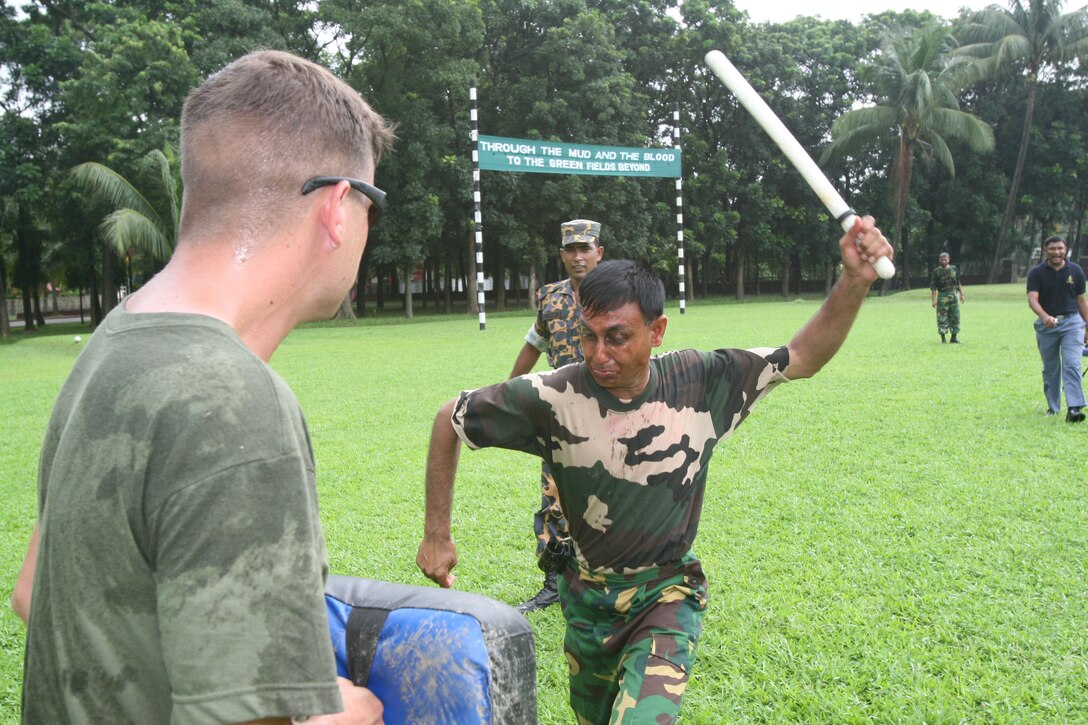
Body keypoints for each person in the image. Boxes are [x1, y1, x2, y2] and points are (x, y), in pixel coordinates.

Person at [11, 50, 395, 723]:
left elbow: (30, 587)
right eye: (372, 202)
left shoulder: (115, 340)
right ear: (338, 206)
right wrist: (346, 713)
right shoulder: (236, 403)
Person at [416, 218, 893, 724]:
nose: (599, 355)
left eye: (617, 337)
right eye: (588, 336)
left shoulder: (701, 380)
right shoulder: (552, 396)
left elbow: (800, 356)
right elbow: (451, 419)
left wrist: (854, 280)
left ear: (657, 330)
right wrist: (436, 533)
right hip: (587, 602)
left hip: (666, 594)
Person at [507, 219, 604, 613]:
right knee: (554, 502)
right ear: (562, 253)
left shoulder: (617, 293)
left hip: (608, 414)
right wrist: (508, 391)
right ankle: (554, 584)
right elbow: (534, 344)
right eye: (571, 249)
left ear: (600, 251)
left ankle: (609, 583)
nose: (578, 256)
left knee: (609, 500)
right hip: (559, 418)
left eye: (586, 248)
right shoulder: (550, 298)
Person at [1026, 234, 1088, 422]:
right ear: (1046, 251)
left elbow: (1081, 300)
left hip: (1072, 323)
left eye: (1060, 248)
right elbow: (1032, 300)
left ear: (1065, 249)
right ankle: (1053, 407)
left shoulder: (1075, 271)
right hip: (1047, 326)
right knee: (1051, 369)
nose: (1056, 252)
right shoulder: (1036, 273)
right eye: (1052, 249)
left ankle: (1074, 408)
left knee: (1072, 364)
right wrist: (1045, 317)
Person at [930, 251, 965, 343]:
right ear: (939, 261)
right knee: (942, 317)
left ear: (948, 260)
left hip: (953, 296)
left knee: (955, 316)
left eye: (945, 259)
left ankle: (954, 338)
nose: (943, 261)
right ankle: (943, 339)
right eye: (942, 260)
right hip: (942, 296)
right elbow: (933, 287)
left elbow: (958, 283)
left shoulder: (954, 269)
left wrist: (962, 294)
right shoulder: (936, 272)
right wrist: (933, 300)